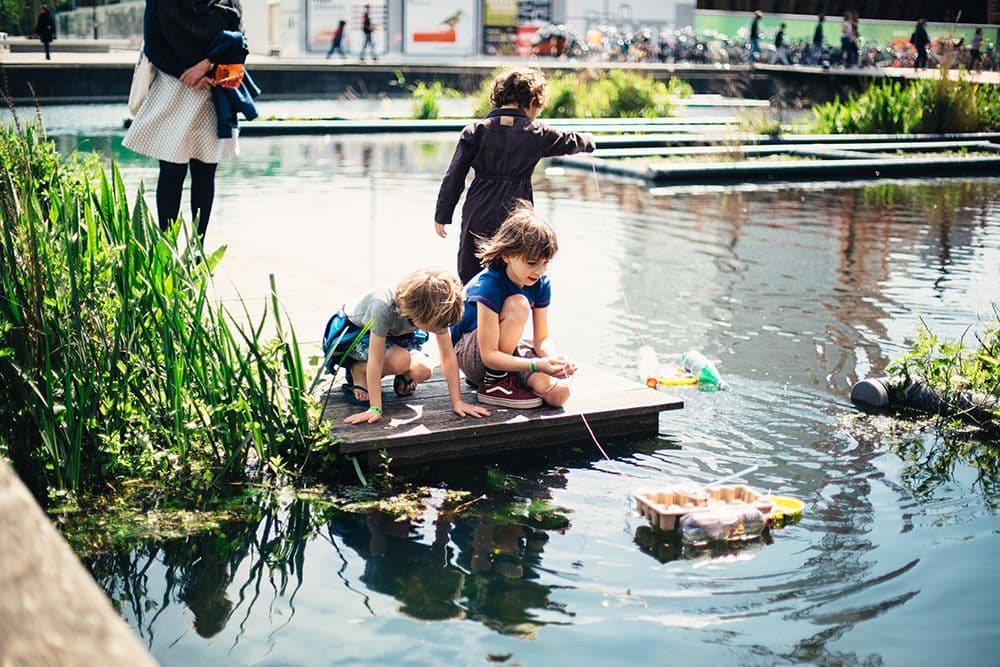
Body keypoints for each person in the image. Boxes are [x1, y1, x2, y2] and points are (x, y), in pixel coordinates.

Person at [434, 67, 595, 284]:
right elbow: (570, 141)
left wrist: (442, 215)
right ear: (532, 101)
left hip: (479, 210)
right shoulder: (537, 133)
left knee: (472, 273)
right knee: (515, 272)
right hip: (517, 215)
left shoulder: (475, 131)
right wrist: (588, 141)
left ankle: (472, 314)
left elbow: (454, 177)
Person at [123, 0, 245, 239]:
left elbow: (239, 41)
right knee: (178, 173)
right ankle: (177, 253)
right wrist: (189, 73)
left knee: (196, 173)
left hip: (201, 91)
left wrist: (203, 66)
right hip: (187, 91)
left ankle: (189, 253)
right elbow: (154, 44)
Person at [323, 269, 490, 425]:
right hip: (356, 334)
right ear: (418, 315)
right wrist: (375, 408)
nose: (438, 331)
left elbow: (447, 355)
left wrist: (458, 402)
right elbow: (376, 358)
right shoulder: (382, 306)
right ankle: (358, 369)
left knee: (423, 370)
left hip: (396, 335)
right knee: (399, 360)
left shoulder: (437, 307)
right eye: (433, 327)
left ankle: (400, 372)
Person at [452, 204, 575, 409]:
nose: (539, 271)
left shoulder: (540, 282)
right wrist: (534, 364)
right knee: (519, 304)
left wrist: (555, 361)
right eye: (532, 262)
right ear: (507, 255)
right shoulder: (489, 285)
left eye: (545, 263)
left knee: (559, 394)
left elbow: (541, 338)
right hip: (474, 357)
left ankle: (511, 380)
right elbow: (489, 354)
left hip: (506, 352)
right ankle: (494, 383)